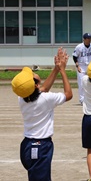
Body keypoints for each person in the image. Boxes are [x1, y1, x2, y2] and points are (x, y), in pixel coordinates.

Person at [12, 47, 73, 181]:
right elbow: (68, 94)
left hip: (27, 145)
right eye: (32, 75)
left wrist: (56, 69)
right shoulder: (46, 99)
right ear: (34, 85)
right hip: (41, 147)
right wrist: (62, 70)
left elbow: (43, 88)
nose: (34, 73)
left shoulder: (22, 97)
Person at [72, 33, 91, 105]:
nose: (89, 40)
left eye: (90, 38)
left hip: (90, 66)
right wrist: (77, 66)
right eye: (88, 38)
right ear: (84, 39)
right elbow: (74, 56)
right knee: (81, 83)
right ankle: (82, 100)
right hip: (81, 66)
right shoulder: (79, 47)